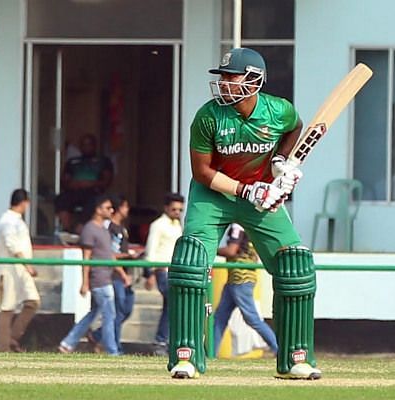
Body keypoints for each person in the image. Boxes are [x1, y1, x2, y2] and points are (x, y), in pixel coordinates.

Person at [167, 47, 320, 380]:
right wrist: (244, 189)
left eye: (231, 77)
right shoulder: (208, 117)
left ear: (254, 80)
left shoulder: (279, 110)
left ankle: (296, 357)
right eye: (222, 77)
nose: (224, 83)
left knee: (294, 263)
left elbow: (296, 129)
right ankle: (187, 356)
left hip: (261, 197)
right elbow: (202, 172)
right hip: (214, 195)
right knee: (191, 261)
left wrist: (283, 162)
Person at [58, 195, 131, 355]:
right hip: (99, 279)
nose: (111, 210)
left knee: (94, 314)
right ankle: (112, 351)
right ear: (98, 210)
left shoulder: (104, 229)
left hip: (106, 276)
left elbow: (109, 255)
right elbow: (87, 257)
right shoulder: (90, 229)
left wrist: (122, 274)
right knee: (109, 316)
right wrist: (85, 282)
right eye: (107, 208)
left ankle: (68, 343)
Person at [214, 223, 278, 356]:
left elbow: (231, 250)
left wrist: (210, 249)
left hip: (240, 279)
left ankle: (277, 348)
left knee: (252, 318)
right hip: (237, 279)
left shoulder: (237, 227)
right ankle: (209, 354)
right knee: (220, 318)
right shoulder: (251, 226)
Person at [0, 189, 40, 352]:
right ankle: (3, 347)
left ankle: (13, 338)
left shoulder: (17, 221)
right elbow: (11, 244)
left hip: (21, 270)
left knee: (33, 301)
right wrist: (27, 264)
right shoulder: (7, 220)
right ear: (24, 203)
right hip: (9, 269)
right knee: (7, 307)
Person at [91, 194, 137, 354]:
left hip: (125, 274)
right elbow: (108, 253)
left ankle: (98, 335)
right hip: (115, 275)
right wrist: (126, 258)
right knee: (117, 310)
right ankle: (114, 346)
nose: (127, 210)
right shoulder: (108, 228)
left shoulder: (122, 229)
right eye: (125, 206)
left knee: (126, 309)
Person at [144, 192, 185, 355]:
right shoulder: (158, 225)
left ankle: (163, 341)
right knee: (174, 304)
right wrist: (150, 273)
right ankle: (162, 341)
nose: (177, 213)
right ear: (166, 208)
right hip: (162, 270)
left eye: (180, 210)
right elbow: (151, 250)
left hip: (175, 270)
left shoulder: (177, 225)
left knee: (171, 307)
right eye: (174, 209)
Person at [54, 134, 114, 233]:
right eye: (83, 145)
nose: (86, 147)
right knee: (61, 199)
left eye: (89, 144)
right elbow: (65, 181)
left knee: (94, 203)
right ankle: (67, 230)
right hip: (74, 192)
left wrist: (91, 184)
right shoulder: (73, 161)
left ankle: (81, 229)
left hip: (94, 193)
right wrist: (73, 184)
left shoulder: (103, 161)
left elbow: (106, 181)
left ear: (94, 146)